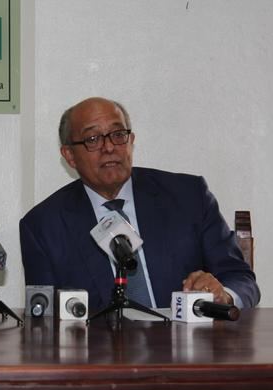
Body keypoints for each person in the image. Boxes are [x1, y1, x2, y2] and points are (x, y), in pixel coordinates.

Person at [19, 97, 260, 311]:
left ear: (131, 141)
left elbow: (241, 278)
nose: (109, 147)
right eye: (92, 139)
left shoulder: (189, 197)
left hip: (187, 351)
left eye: (118, 134)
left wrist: (223, 296)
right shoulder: (43, 226)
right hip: (97, 356)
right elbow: (44, 318)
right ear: (69, 156)